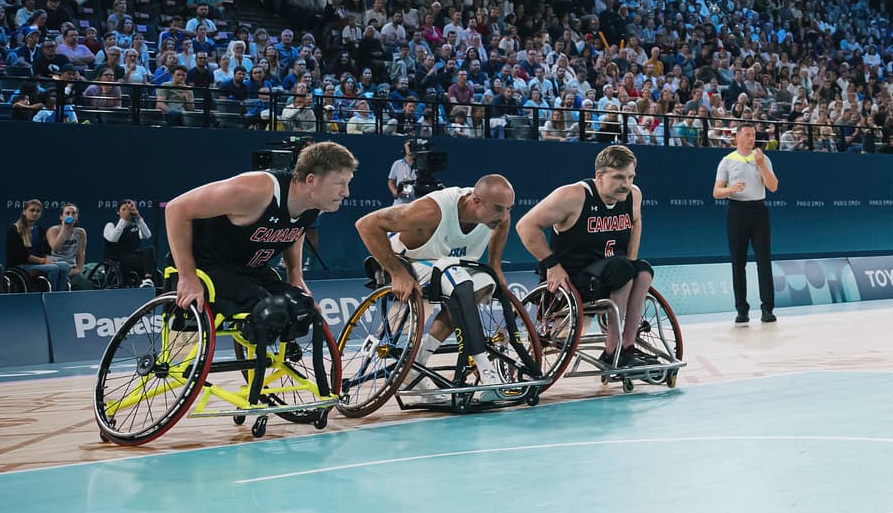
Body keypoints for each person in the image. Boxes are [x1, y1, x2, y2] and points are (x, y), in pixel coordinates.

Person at [162, 140, 357, 318]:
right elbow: (176, 209)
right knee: (270, 310)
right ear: (311, 180)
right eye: (340, 184)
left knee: (304, 308)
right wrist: (187, 277)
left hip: (250, 271)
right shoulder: (257, 190)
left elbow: (296, 228)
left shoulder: (314, 205)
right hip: (206, 266)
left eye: (347, 184)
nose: (346, 192)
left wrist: (295, 274)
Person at [354, 174, 515, 373]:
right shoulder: (432, 211)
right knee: (457, 284)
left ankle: (418, 362)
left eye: (509, 209)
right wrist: (396, 272)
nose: (504, 216)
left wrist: (495, 265)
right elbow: (366, 224)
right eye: (499, 209)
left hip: (449, 268)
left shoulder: (496, 213)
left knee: (480, 286)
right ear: (476, 201)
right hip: (409, 262)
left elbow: (503, 224)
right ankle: (481, 367)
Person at [517, 145, 658, 367]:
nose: (626, 184)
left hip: (613, 273)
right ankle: (613, 351)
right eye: (619, 177)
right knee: (623, 270)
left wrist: (632, 259)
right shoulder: (574, 196)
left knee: (643, 271)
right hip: (574, 279)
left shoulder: (633, 195)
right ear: (600, 176)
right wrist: (552, 265)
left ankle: (628, 347)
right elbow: (525, 226)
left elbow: (636, 221)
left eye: (631, 177)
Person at [714, 124, 778, 323]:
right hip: (736, 211)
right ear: (738, 137)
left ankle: (767, 308)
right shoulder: (727, 161)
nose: (752, 138)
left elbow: (773, 186)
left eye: (753, 135)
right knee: (738, 262)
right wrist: (730, 189)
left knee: (764, 261)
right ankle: (742, 309)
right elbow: (716, 192)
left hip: (758, 211)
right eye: (748, 135)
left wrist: (761, 165)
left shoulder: (762, 158)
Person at [4, 199, 70, 290]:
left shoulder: (39, 230)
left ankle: (61, 295)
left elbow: (47, 250)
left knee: (64, 266)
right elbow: (21, 255)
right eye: (32, 210)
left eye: (38, 211)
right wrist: (43, 261)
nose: (35, 213)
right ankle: (52, 297)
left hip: (39, 263)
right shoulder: (14, 230)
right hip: (21, 265)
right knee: (53, 269)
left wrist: (48, 260)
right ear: (24, 211)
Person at [102, 200, 158, 285]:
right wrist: (123, 220)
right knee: (144, 261)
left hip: (135, 258)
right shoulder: (110, 225)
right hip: (119, 261)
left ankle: (148, 279)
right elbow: (113, 238)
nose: (127, 212)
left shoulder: (134, 226)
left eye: (128, 209)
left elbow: (147, 235)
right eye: (124, 209)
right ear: (118, 212)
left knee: (149, 251)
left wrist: (138, 218)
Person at [46, 202, 95, 289]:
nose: (71, 215)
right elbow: (55, 248)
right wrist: (65, 229)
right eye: (67, 213)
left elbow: (81, 252)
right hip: (55, 268)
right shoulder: (53, 230)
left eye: (73, 213)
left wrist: (79, 269)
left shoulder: (80, 232)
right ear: (61, 216)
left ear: (76, 217)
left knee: (87, 285)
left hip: (71, 269)